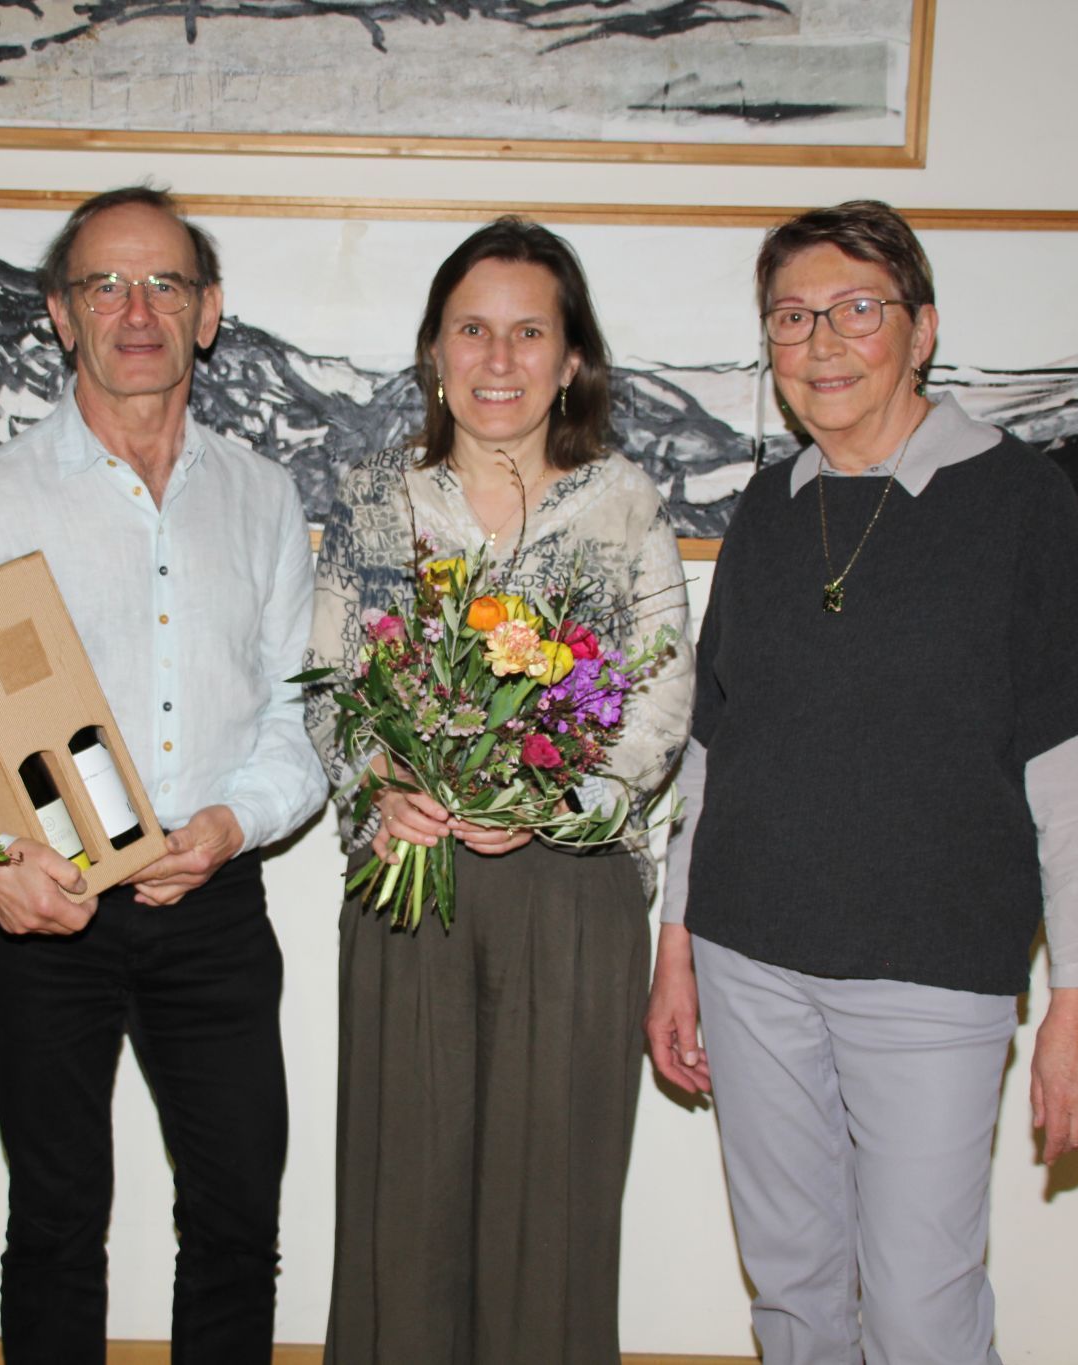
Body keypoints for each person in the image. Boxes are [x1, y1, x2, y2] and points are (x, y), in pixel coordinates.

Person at [644, 199, 1078, 1365]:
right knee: (792, 1290)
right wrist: (675, 946)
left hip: (931, 976)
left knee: (922, 1306)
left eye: (853, 310)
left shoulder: (1021, 505)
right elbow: (712, 747)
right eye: (789, 316)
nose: (819, 342)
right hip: (747, 957)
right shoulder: (767, 510)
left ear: (918, 331)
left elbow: (1068, 775)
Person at [0, 185, 327, 1363]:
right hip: (45, 922)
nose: (136, 310)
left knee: (239, 1222)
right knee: (53, 1227)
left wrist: (231, 827)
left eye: (165, 284)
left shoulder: (262, 497)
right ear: (60, 312)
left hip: (213, 907)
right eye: (105, 284)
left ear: (207, 313)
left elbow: (301, 719)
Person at [304, 217, 693, 1365]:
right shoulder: (375, 500)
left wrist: (543, 807)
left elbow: (660, 706)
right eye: (471, 329)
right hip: (406, 886)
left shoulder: (621, 505)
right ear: (433, 351)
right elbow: (328, 687)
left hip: (570, 895)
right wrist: (379, 787)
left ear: (571, 359)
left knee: (551, 1216)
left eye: (530, 332)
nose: (498, 358)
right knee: (399, 1212)